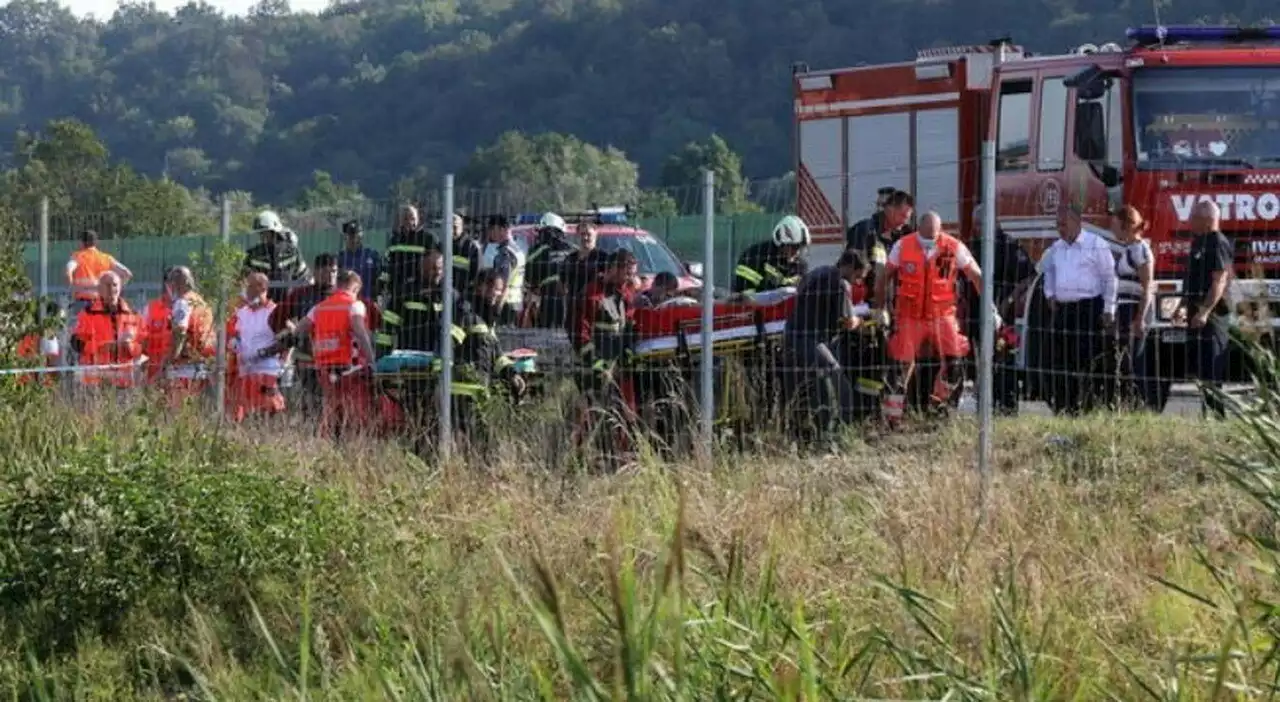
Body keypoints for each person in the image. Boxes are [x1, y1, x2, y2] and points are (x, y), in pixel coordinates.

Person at [875, 211, 987, 417]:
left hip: (942, 314)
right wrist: (881, 308)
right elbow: (884, 276)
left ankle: (940, 408)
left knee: (954, 361)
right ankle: (892, 417)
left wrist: (989, 309)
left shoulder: (953, 246)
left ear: (940, 231)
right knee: (899, 365)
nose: (929, 243)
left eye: (933, 237)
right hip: (910, 315)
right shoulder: (903, 245)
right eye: (925, 237)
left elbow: (977, 275)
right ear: (918, 230)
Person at [780, 249, 871, 432]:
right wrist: (866, 321)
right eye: (857, 276)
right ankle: (843, 431)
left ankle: (813, 431)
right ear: (850, 267)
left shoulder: (817, 272)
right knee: (839, 384)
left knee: (818, 386)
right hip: (811, 340)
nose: (858, 281)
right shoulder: (841, 284)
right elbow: (848, 321)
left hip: (790, 337)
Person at [1040, 202, 1119, 415]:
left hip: (1089, 310)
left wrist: (1109, 309)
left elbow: (1110, 278)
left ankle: (1087, 406)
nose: (1060, 228)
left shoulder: (1096, 244)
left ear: (1077, 222)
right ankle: (1064, 407)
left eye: (1063, 224)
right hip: (1064, 311)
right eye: (1057, 224)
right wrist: (1050, 295)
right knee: (1059, 361)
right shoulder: (1056, 249)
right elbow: (1049, 273)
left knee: (1085, 362)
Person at [286, 271, 378, 440]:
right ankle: (349, 443)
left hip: (324, 367)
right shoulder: (355, 305)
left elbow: (299, 330)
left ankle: (327, 440)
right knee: (353, 410)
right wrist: (372, 360)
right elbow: (360, 331)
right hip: (350, 366)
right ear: (355, 287)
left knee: (331, 406)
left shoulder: (319, 307)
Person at [1176, 200, 1233, 418]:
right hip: (1194, 313)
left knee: (1212, 368)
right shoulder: (1198, 242)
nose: (1190, 221)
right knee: (1199, 370)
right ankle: (1206, 415)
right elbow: (1191, 279)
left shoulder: (1217, 243)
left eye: (1194, 218)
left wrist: (1205, 312)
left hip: (1213, 317)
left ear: (1207, 219)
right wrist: (1182, 306)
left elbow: (1218, 281)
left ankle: (1217, 418)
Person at [271, 253, 340, 412]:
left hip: (337, 361)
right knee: (312, 404)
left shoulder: (342, 296)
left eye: (334, 272)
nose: (330, 276)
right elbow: (275, 318)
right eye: (325, 272)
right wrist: (290, 332)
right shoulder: (302, 294)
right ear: (315, 272)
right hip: (308, 360)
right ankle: (311, 433)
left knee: (336, 404)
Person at [1111, 205, 1158, 409]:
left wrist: (1140, 317)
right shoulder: (1128, 249)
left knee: (1134, 361)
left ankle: (1141, 404)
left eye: (1115, 225)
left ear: (1126, 225)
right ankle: (1128, 402)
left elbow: (1147, 286)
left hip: (1134, 310)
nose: (1112, 229)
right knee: (1124, 360)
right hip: (1124, 308)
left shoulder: (1140, 250)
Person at [227, 272, 287, 422]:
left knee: (266, 412)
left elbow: (289, 338)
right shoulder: (241, 313)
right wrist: (234, 342)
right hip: (245, 371)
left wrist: (282, 363)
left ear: (261, 287)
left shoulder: (274, 311)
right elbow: (233, 334)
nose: (245, 291)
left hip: (266, 370)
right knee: (246, 413)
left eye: (249, 286)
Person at [70, 272, 143, 390]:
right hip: (95, 382)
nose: (111, 289)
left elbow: (144, 345)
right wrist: (102, 347)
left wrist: (129, 346)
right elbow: (76, 344)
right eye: (107, 285)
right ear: (99, 289)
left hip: (124, 381)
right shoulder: (88, 314)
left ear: (120, 288)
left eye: (115, 285)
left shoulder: (133, 315)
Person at [162, 266, 217, 408]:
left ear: (177, 283)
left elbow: (180, 332)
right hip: (203, 364)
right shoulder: (201, 303)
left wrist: (170, 358)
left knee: (179, 414)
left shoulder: (182, 303)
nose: (169, 287)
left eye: (171, 282)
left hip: (184, 368)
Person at [847, 189, 914, 296]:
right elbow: (851, 268)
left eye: (907, 218)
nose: (904, 222)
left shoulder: (906, 236)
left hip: (894, 303)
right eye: (902, 216)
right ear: (889, 209)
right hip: (867, 302)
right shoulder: (865, 231)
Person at [732, 215, 810, 295]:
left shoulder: (801, 266)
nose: (797, 252)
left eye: (801, 247)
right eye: (794, 247)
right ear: (780, 241)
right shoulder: (753, 256)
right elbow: (743, 295)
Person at [524, 212, 577, 328]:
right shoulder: (574, 250)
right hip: (572, 305)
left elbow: (529, 281)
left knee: (546, 340)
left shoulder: (535, 252)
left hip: (547, 305)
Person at [244, 210, 308, 303]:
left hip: (288, 305)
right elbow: (244, 276)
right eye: (260, 233)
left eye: (264, 233)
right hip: (261, 305)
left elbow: (303, 276)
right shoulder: (254, 254)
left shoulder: (292, 252)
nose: (262, 236)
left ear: (274, 231)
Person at [379, 204, 439, 303]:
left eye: (412, 218)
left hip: (422, 292)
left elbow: (437, 265)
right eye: (405, 218)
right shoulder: (395, 240)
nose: (409, 222)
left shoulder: (429, 238)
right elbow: (388, 266)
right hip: (398, 292)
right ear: (401, 221)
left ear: (418, 219)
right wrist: (384, 286)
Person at [66, 229, 133, 309]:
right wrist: (114, 290)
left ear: (83, 242)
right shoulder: (106, 258)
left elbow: (68, 272)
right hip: (102, 304)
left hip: (83, 302)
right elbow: (127, 273)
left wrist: (72, 292)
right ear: (96, 243)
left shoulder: (77, 257)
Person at [140, 266, 178, 385]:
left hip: (180, 375)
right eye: (173, 281)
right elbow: (141, 341)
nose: (176, 286)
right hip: (154, 377)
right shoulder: (151, 309)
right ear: (166, 284)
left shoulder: (190, 309)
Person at [480, 214, 526, 313]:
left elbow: (503, 284)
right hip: (516, 301)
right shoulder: (517, 248)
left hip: (502, 303)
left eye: (492, 228)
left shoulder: (502, 251)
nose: (489, 232)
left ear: (501, 229)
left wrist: (497, 309)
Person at [17, 301, 65, 388]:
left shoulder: (53, 341)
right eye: (57, 324)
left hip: (41, 389)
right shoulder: (28, 339)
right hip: (28, 388)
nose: (58, 328)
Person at [336, 219, 383, 289]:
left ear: (361, 236)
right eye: (351, 237)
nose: (354, 240)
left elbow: (380, 279)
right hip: (347, 298)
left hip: (369, 298)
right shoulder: (339, 258)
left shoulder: (372, 255)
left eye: (357, 236)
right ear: (345, 237)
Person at [448, 213, 484, 296]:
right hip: (445, 291)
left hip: (464, 293)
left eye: (455, 227)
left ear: (462, 227)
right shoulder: (443, 245)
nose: (451, 230)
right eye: (449, 227)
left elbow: (477, 275)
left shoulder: (472, 247)